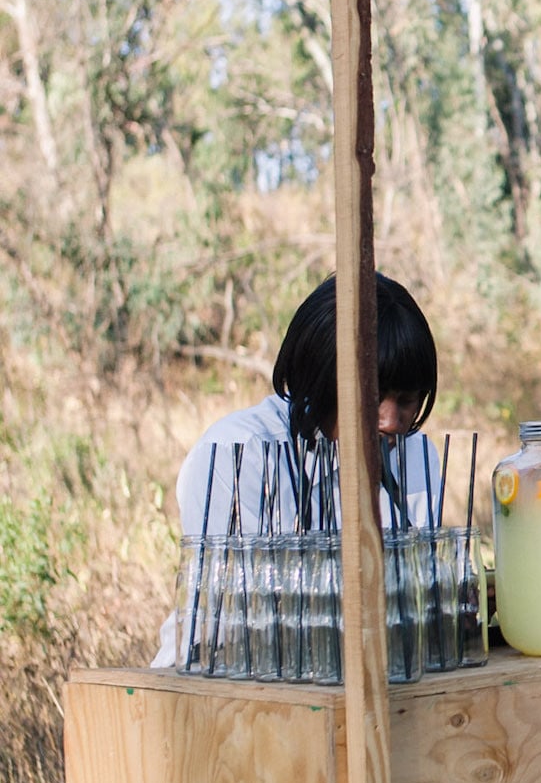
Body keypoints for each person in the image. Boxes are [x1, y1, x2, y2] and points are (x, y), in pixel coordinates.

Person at [152, 273, 439, 667]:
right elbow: (244, 629)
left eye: (406, 400)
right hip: (220, 692)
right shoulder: (240, 457)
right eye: (373, 398)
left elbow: (419, 605)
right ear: (322, 380)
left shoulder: (416, 457)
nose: (391, 421)